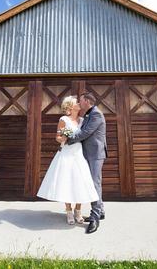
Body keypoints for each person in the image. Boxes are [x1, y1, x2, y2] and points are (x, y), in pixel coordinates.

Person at [36, 96, 99, 225]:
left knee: (81, 181)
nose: (78, 103)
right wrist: (64, 136)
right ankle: (69, 211)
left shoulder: (82, 120)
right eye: (76, 102)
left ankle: (78, 210)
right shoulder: (63, 119)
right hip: (66, 154)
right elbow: (58, 138)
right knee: (66, 181)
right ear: (70, 106)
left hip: (79, 154)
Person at [63, 92, 107, 234]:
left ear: (87, 101)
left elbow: (85, 133)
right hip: (87, 153)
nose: (79, 103)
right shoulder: (88, 114)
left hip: (95, 154)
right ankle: (100, 211)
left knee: (94, 184)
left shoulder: (96, 114)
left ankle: (95, 218)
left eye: (81, 101)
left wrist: (68, 139)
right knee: (93, 183)